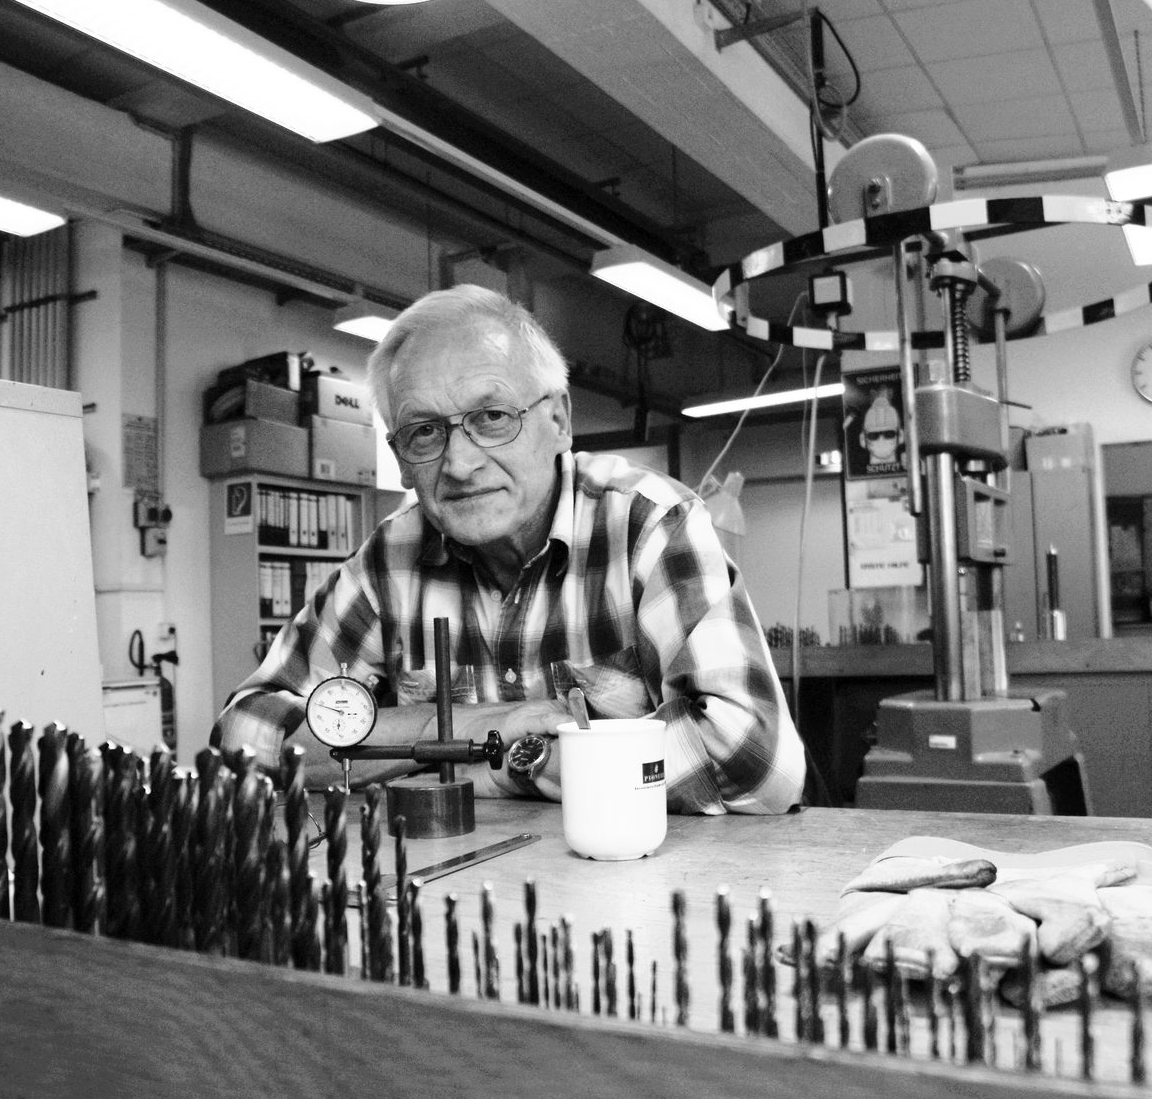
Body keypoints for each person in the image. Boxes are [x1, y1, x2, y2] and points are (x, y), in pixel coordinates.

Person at [212, 285, 805, 814]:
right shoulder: (389, 560)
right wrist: (478, 726)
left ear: (560, 421)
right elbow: (245, 735)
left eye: (492, 417)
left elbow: (755, 757)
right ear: (399, 458)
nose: (460, 463)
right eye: (424, 431)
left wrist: (506, 765)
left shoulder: (648, 525)